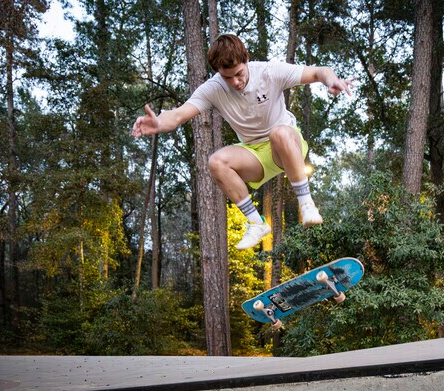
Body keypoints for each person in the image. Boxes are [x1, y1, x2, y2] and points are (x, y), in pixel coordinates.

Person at [132, 34, 353, 250]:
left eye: (238, 74)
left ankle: (306, 204)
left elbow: (317, 71)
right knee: (217, 161)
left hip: (286, 146)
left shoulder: (268, 72)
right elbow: (180, 114)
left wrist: (331, 80)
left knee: (279, 133)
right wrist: (159, 123)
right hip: (254, 155)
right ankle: (256, 224)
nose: (235, 82)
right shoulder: (214, 88)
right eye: (228, 77)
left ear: (246, 59)